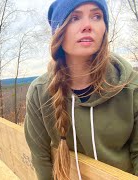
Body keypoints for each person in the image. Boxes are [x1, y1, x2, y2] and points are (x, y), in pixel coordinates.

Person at [24, 0, 138, 179]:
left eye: (96, 16)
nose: (87, 26)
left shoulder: (132, 88)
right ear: (58, 32)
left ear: (104, 28)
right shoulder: (40, 93)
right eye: (74, 18)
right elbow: (41, 158)